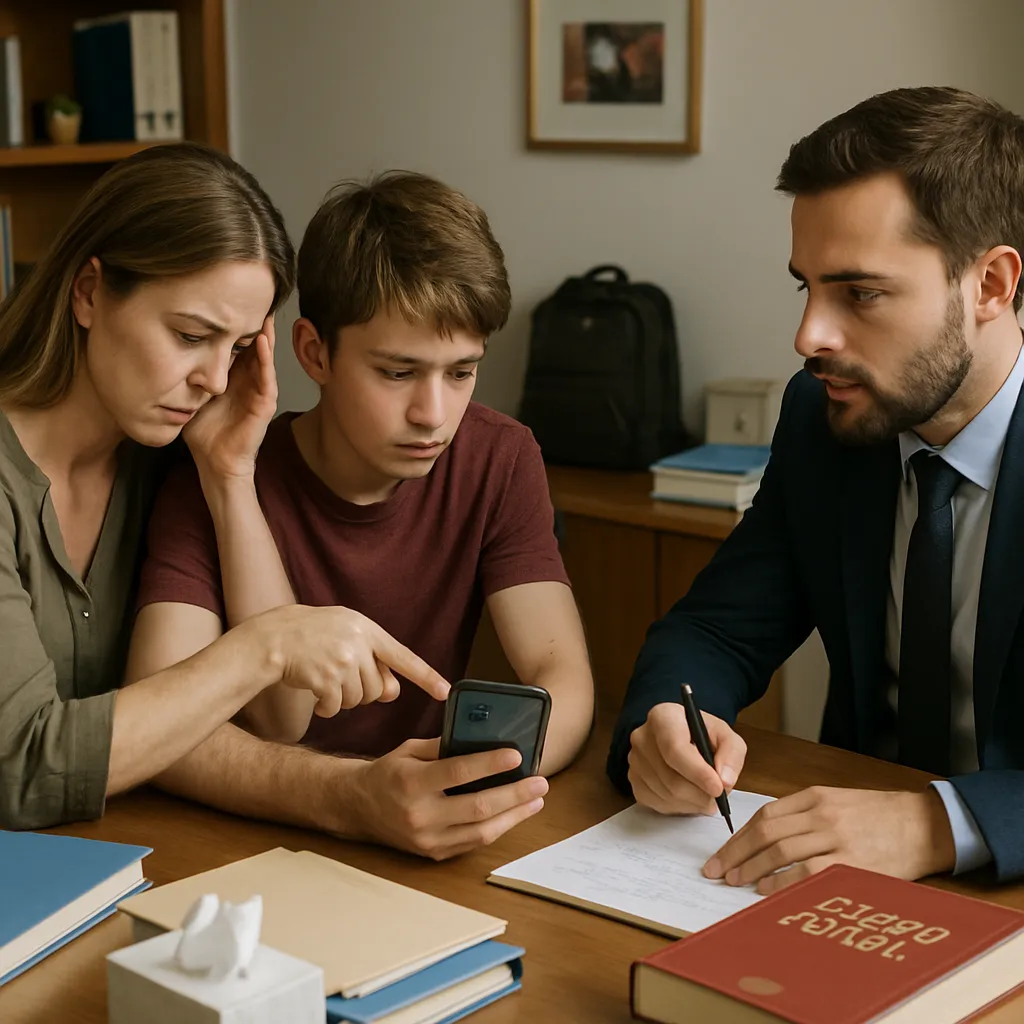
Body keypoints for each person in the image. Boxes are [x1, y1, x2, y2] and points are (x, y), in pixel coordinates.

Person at [608, 86, 1024, 889]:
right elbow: (718, 631)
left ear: (990, 285)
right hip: (838, 876)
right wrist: (668, 722)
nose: (809, 337)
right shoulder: (821, 419)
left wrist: (939, 823)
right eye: (807, 287)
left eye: (860, 294)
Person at [128, 171, 595, 860]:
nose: (433, 415)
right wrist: (232, 485)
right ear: (314, 353)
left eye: (461, 372)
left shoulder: (500, 457)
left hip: (420, 838)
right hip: (247, 841)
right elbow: (161, 728)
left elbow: (564, 681)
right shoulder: (211, 461)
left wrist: (459, 785)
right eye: (397, 373)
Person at [0, 144, 448, 831]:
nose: (214, 380)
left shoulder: (166, 461)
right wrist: (266, 646)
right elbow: (22, 767)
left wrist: (228, 473)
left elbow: (273, 720)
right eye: (190, 335)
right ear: (89, 293)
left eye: (236, 349)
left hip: (123, 856)